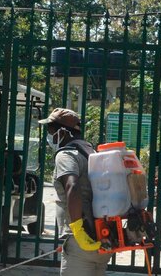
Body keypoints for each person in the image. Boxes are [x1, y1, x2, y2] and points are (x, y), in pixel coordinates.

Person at [39, 108, 112, 275]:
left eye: (51, 130)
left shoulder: (66, 155)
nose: (50, 135)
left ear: (63, 131)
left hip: (81, 241)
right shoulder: (90, 152)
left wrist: (77, 230)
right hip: (101, 237)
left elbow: (72, 186)